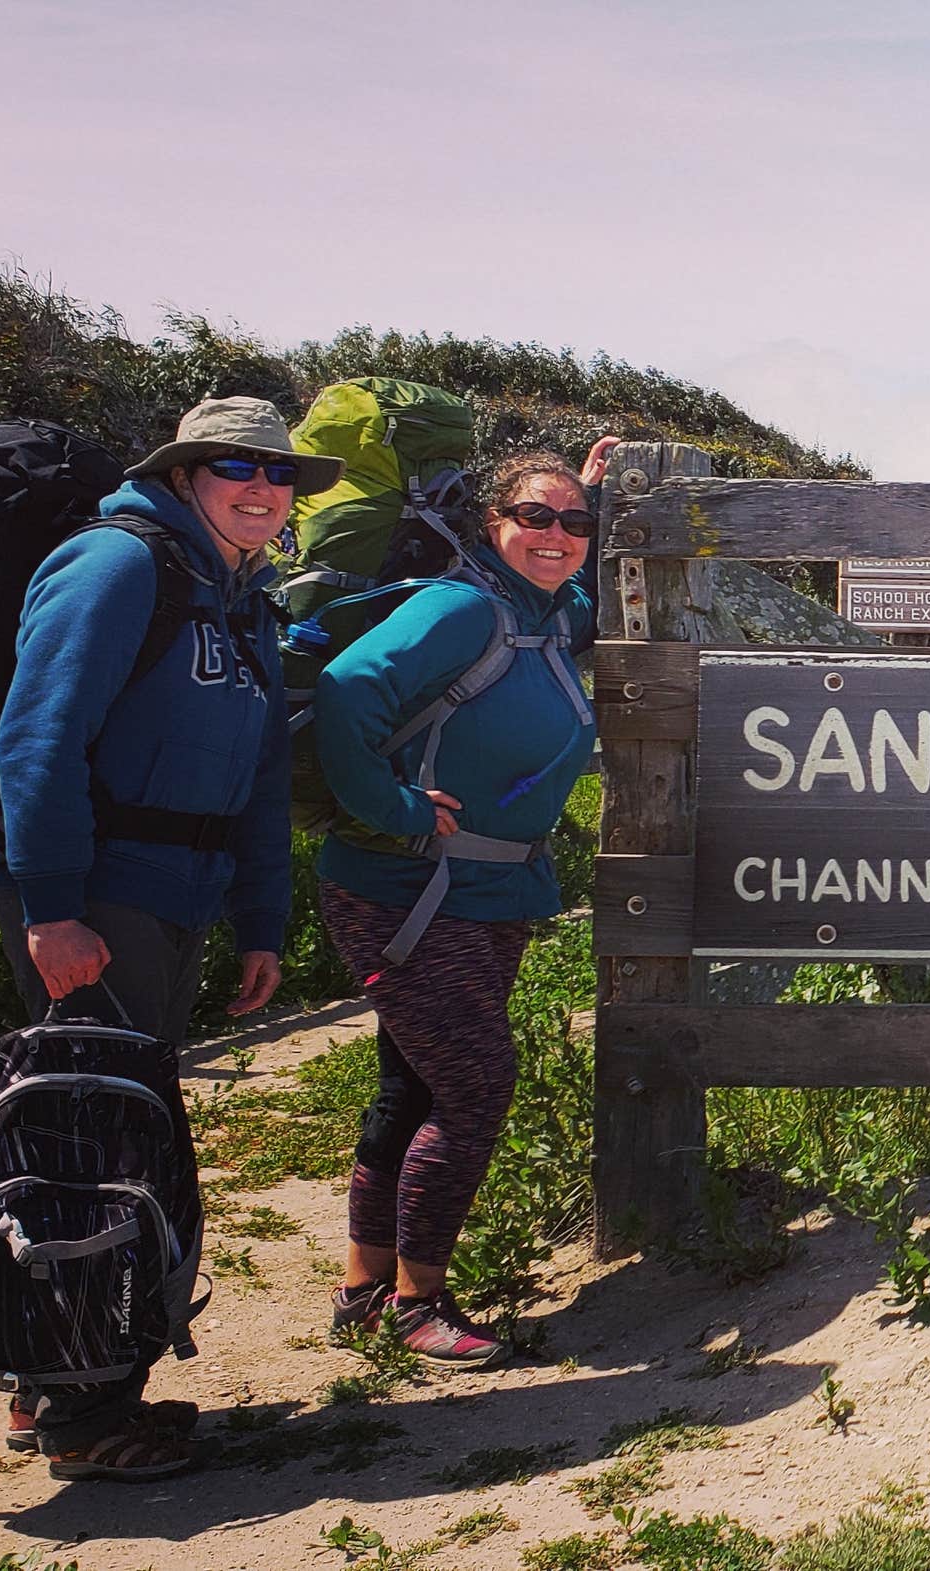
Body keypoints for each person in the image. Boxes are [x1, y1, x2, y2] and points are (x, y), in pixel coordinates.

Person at [0, 397, 336, 1479]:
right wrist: (51, 905)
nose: (265, 489)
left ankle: (63, 1376)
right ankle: (84, 1420)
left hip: (174, 898)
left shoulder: (238, 598)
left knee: (113, 1138)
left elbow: (262, 775)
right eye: (237, 467)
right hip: (98, 900)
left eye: (282, 476)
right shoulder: (116, 566)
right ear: (185, 471)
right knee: (87, 1152)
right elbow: (36, 737)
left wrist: (263, 919)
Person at [310, 450, 597, 1366]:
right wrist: (392, 809)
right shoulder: (464, 608)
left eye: (575, 522)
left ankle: (363, 1288)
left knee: (415, 1083)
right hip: (412, 888)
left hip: (484, 889)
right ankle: (416, 1302)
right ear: (490, 523)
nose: (557, 536)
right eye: (535, 517)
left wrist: (608, 498)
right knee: (475, 1085)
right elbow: (346, 690)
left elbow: (595, 577)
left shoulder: (551, 614)